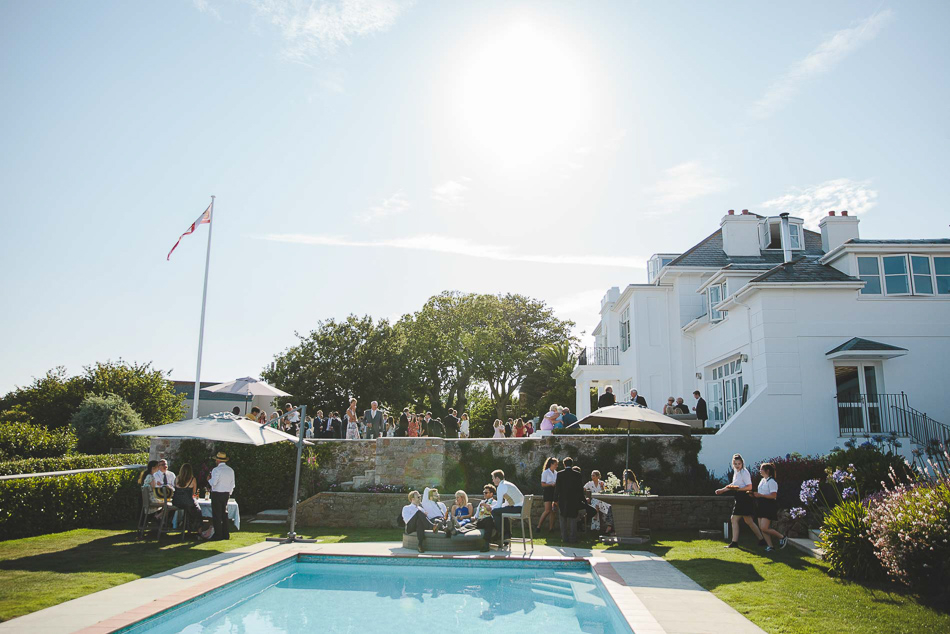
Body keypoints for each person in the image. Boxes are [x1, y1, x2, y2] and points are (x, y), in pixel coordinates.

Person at [716, 453, 765, 548]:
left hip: (744, 498)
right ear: (733, 464)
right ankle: (761, 540)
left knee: (737, 519)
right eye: (735, 464)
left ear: (742, 463)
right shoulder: (736, 472)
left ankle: (736, 542)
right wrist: (722, 490)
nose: (737, 465)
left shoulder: (744, 472)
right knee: (746, 521)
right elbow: (733, 485)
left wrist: (738, 489)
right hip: (739, 497)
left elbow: (749, 487)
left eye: (739, 463)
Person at [752, 462, 788, 552]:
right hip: (761, 504)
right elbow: (761, 493)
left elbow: (773, 496)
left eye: (761, 469)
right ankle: (770, 546)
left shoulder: (772, 482)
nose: (760, 471)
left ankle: (782, 537)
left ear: (767, 471)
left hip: (768, 505)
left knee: (764, 527)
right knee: (761, 527)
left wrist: (760, 495)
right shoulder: (763, 480)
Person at [171, 463, 211, 538]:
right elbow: (194, 492)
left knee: (190, 510)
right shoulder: (192, 479)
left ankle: (187, 526)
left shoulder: (177, 478)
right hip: (188, 501)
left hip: (177, 501)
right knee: (198, 511)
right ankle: (199, 529)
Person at [490, 470, 524, 547]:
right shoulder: (507, 484)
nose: (492, 480)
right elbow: (506, 503)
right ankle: (506, 535)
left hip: (517, 508)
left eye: (493, 478)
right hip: (521, 508)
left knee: (495, 512)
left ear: (497, 478)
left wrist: (491, 508)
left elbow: (498, 505)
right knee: (501, 512)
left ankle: (500, 534)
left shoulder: (500, 486)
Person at [555, 457, 585, 543]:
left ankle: (564, 537)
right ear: (571, 464)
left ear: (564, 464)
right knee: (573, 518)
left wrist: (555, 499)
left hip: (563, 499)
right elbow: (580, 489)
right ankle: (573, 537)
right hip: (574, 499)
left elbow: (557, 488)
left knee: (562, 518)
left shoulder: (560, 474)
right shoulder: (577, 474)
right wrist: (582, 499)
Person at [208, 451, 235, 541]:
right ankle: (225, 534)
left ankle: (218, 534)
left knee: (217, 515)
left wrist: (209, 480)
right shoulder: (230, 470)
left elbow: (214, 483)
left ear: (218, 460)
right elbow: (232, 484)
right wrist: (229, 492)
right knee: (224, 514)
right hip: (226, 493)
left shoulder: (216, 470)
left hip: (217, 493)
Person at [584, 470, 614, 535]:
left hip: (602, 500)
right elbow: (584, 488)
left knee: (600, 503)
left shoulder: (602, 483)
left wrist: (602, 487)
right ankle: (596, 512)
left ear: (598, 477)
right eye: (591, 475)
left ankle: (595, 514)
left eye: (593, 475)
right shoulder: (589, 483)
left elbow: (605, 491)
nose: (592, 477)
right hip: (594, 499)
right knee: (596, 502)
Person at [537, 457, 559, 532]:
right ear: (551, 464)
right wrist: (550, 485)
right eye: (555, 464)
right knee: (547, 510)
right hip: (548, 491)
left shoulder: (556, 473)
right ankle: (538, 526)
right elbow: (543, 484)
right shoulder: (545, 472)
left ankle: (551, 528)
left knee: (553, 511)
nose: (556, 466)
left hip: (554, 491)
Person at [474, 484, 497, 552]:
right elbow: (476, 515)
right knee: (472, 523)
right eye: (484, 492)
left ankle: (486, 544)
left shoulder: (495, 502)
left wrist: (485, 505)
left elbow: (490, 509)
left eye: (486, 493)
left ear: (491, 494)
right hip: (480, 521)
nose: (484, 494)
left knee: (488, 520)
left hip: (489, 521)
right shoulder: (481, 502)